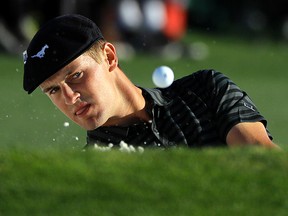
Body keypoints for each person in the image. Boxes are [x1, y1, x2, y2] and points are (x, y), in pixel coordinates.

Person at [23, 14, 279, 150]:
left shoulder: (206, 89)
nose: (69, 98)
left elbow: (264, 168)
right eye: (53, 90)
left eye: (75, 75)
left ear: (110, 57)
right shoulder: (99, 166)